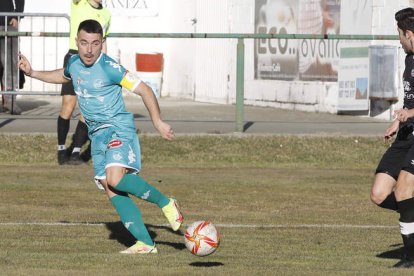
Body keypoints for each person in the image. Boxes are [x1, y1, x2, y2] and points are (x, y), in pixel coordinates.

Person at [18, 19, 184, 254]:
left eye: (95, 43)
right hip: (97, 135)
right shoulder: (74, 63)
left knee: (115, 178)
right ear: (77, 42)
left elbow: (145, 89)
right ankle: (146, 243)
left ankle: (166, 202)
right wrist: (32, 72)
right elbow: (64, 76)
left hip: (117, 128)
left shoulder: (110, 67)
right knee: (110, 186)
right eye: (84, 43)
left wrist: (157, 121)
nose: (89, 49)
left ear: (102, 43)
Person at [370, 7, 414, 268]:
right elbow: (410, 99)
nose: (399, 40)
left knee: (405, 188)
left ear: (408, 33)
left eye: (399, 34)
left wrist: (409, 112)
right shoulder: (410, 58)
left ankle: (410, 256)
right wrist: (398, 119)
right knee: (379, 193)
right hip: (407, 133)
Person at [57, 0, 111, 165]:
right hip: (74, 57)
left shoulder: (106, 13)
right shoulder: (79, 4)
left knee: (87, 109)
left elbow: (103, 41)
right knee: (68, 106)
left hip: (93, 61)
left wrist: (104, 66)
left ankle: (76, 151)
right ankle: (61, 151)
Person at [0, 0, 25, 115]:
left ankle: (10, 102)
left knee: (10, 63)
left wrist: (17, 15)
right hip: (7, 20)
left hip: (7, 22)